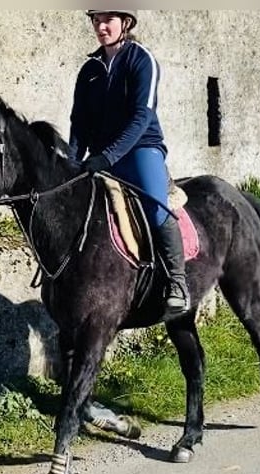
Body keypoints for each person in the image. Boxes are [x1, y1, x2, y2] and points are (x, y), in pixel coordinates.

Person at [67, 9, 190, 317]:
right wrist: (71, 163)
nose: (100, 26)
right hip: (99, 157)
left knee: (155, 205)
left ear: (126, 23)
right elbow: (79, 122)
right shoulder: (90, 70)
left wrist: (109, 156)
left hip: (140, 150)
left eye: (108, 20)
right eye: (96, 20)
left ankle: (177, 282)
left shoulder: (141, 59)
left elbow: (142, 115)